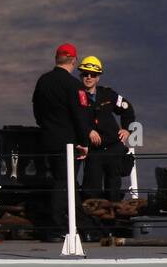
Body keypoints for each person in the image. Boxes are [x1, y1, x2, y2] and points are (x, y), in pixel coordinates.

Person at [31, 42, 94, 239]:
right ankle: (57, 227)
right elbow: (80, 115)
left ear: (56, 58)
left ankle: (81, 224)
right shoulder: (74, 86)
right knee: (63, 182)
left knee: (64, 181)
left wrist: (47, 128)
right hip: (68, 143)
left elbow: (37, 110)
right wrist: (83, 142)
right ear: (74, 60)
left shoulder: (43, 82)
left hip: (47, 138)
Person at [78, 55, 137, 203]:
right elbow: (73, 120)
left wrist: (127, 129)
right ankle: (91, 222)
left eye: (93, 75)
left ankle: (113, 222)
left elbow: (127, 109)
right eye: (85, 74)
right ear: (81, 76)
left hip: (113, 148)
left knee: (113, 190)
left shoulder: (108, 94)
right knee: (91, 191)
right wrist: (87, 132)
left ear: (98, 77)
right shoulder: (75, 96)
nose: (89, 77)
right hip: (93, 151)